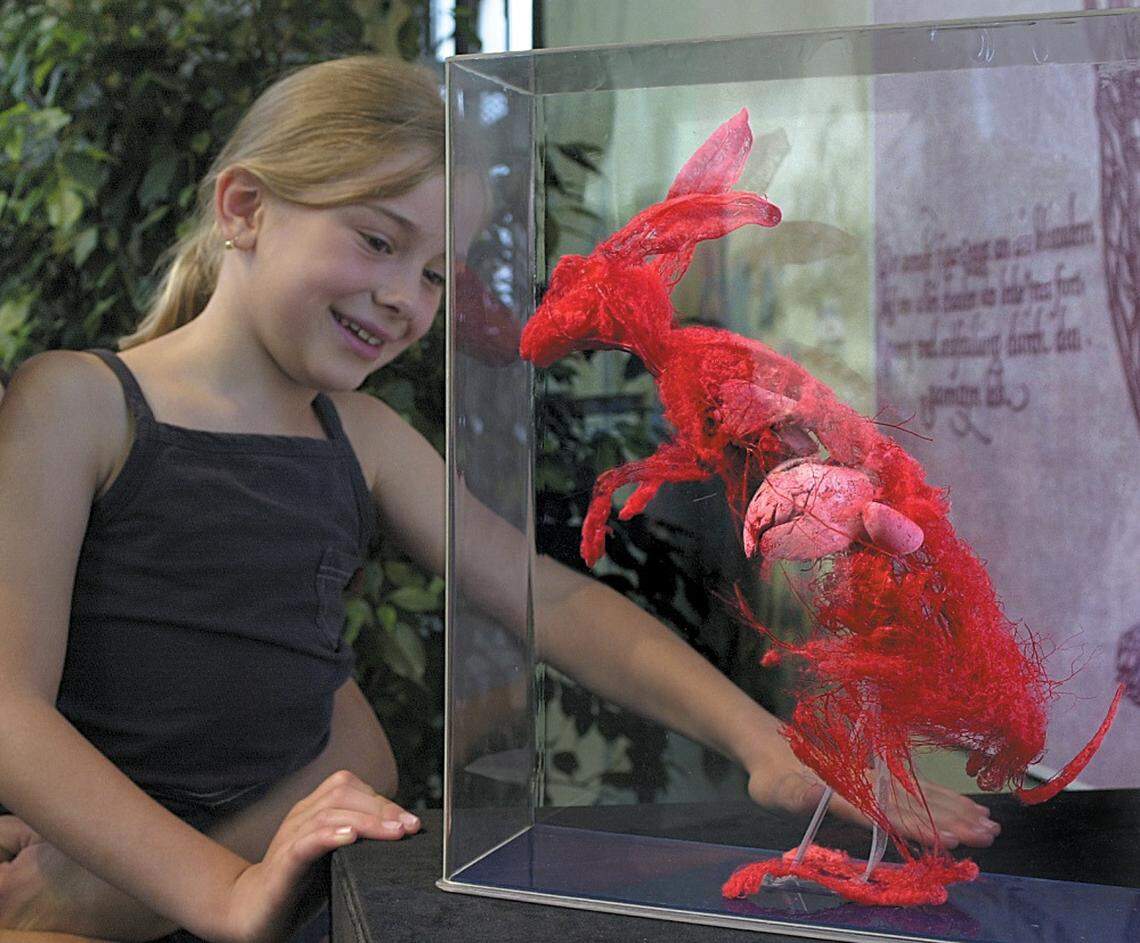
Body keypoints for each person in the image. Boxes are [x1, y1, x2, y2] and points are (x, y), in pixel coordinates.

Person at [0, 54, 999, 942]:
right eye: (376, 240)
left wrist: (766, 744)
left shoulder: (368, 439)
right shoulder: (79, 405)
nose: (405, 296)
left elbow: (545, 597)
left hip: (266, 885)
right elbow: (8, 709)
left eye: (437, 272)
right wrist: (216, 889)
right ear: (246, 209)